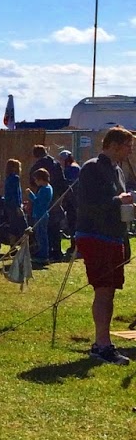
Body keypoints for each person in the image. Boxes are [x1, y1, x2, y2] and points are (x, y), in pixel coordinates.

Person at [74, 125, 134, 365]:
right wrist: (119, 200)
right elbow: (90, 203)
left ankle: (104, 343)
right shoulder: (92, 169)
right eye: (128, 146)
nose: (130, 151)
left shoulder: (117, 171)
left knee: (109, 290)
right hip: (95, 235)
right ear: (115, 145)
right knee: (103, 289)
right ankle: (101, 345)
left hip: (114, 236)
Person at [30, 144, 67, 259]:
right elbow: (62, 181)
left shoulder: (37, 165)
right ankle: (56, 250)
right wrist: (61, 196)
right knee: (55, 224)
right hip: (55, 196)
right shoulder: (56, 164)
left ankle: (44, 250)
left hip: (42, 196)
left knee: (42, 227)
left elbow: (32, 181)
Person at [29, 166, 54, 266]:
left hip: (41, 215)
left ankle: (43, 256)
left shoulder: (45, 189)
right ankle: (41, 253)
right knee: (39, 235)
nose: (35, 181)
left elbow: (38, 201)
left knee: (42, 236)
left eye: (36, 179)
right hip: (39, 214)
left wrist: (30, 195)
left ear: (40, 178)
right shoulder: (46, 188)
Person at [3, 157, 26, 250]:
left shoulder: (8, 178)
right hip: (15, 205)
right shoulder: (15, 178)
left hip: (9, 205)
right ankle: (25, 245)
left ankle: (12, 246)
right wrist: (18, 206)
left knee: (13, 225)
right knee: (23, 224)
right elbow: (16, 193)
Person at [60, 148, 80, 247]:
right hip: (75, 199)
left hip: (74, 200)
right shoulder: (75, 167)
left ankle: (75, 245)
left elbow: (70, 185)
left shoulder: (71, 169)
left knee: (73, 222)